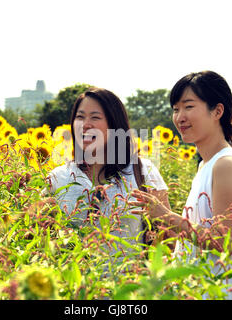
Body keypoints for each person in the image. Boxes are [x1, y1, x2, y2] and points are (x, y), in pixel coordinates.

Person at [130, 71, 232, 300]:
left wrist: (165, 215)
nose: (180, 117)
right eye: (175, 109)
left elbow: (224, 241)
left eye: (188, 107)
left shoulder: (225, 165)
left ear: (217, 111)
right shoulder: (206, 166)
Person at [46, 87, 170, 260]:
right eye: (80, 117)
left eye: (95, 117)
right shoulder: (57, 178)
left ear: (114, 124)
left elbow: (168, 236)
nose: (86, 124)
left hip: (131, 284)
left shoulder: (142, 171)